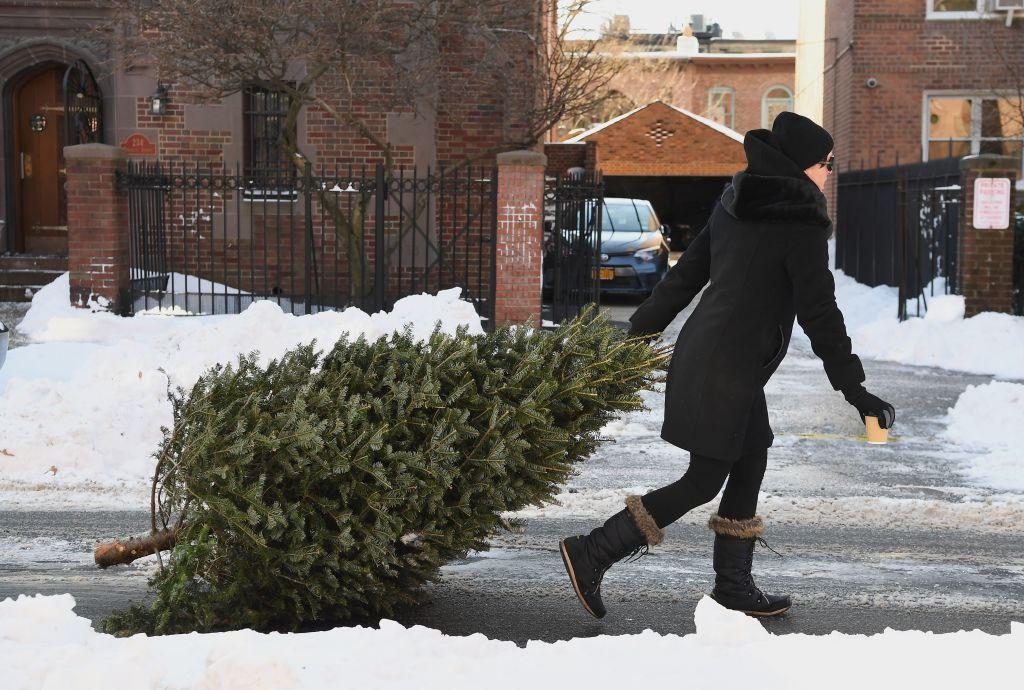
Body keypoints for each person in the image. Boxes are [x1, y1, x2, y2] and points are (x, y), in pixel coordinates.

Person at [559, 112, 896, 619]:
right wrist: (856, 390)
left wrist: (638, 333)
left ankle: (732, 587)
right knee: (703, 479)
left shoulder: (735, 204)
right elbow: (820, 314)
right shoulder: (798, 223)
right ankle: (594, 550)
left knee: (752, 457)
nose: (830, 171)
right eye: (827, 163)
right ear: (804, 167)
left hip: (721, 362)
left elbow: (683, 278)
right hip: (724, 371)